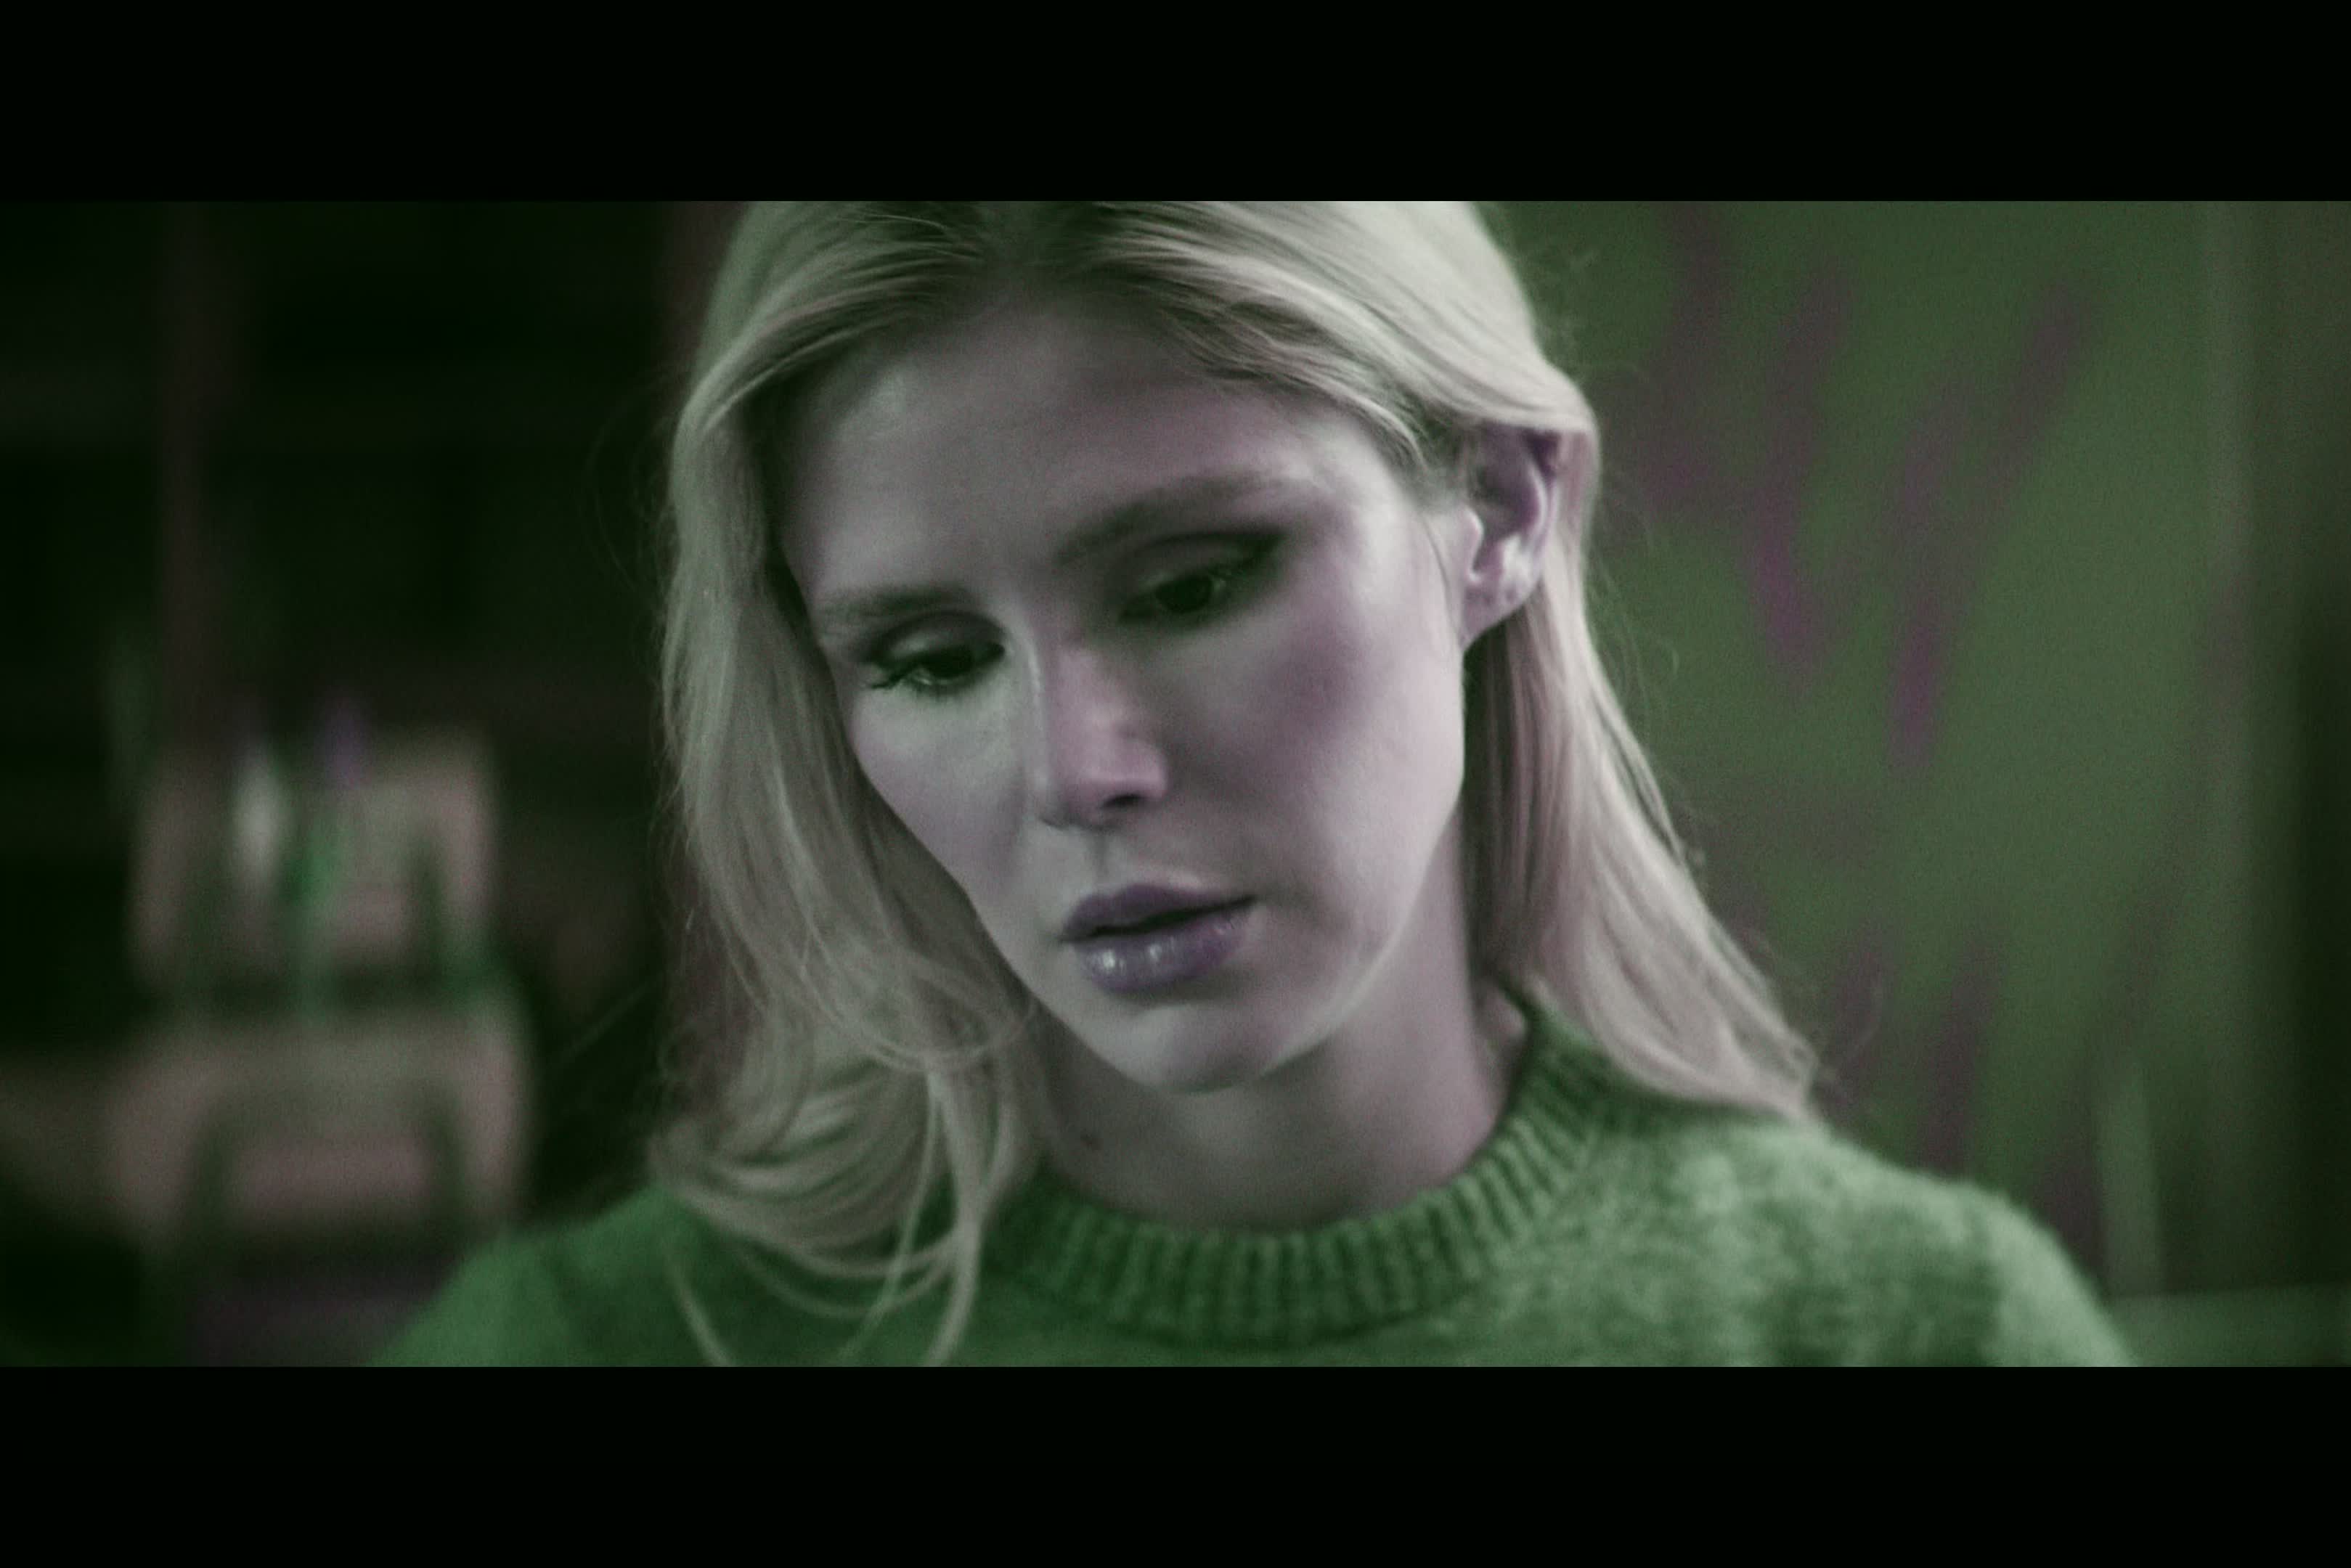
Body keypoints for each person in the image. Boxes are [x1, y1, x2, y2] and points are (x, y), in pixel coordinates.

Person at [376, 202, 2133, 1366]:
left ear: (1500, 510)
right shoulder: (602, 1348)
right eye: (931, 659)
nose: (1077, 771)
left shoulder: (1918, 1335)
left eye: (1194, 585)